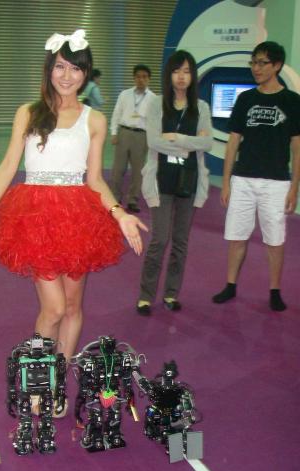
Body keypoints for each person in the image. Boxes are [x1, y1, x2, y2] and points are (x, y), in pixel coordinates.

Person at [0, 29, 147, 363]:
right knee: (54, 308)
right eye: (60, 66)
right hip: (36, 217)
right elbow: (8, 165)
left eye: (75, 68)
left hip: (78, 218)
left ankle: (58, 374)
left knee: (72, 306)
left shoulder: (95, 120)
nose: (67, 76)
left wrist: (120, 214)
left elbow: (95, 179)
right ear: (49, 69)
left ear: (85, 73)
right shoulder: (28, 113)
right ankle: (39, 375)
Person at [212, 41, 300, 312]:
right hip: (243, 179)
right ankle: (230, 284)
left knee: (275, 239)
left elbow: (297, 147)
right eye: (253, 62)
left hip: (276, 182)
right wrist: (226, 182)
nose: (256, 68)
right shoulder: (245, 99)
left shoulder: (293, 101)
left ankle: (275, 290)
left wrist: (294, 188)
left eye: (262, 63)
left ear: (277, 65)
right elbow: (233, 142)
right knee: (237, 236)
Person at [137, 50, 213, 315]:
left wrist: (176, 138)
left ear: (193, 76)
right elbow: (153, 141)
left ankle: (171, 293)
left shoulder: (201, 108)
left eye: (187, 71)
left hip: (188, 182)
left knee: (180, 242)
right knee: (160, 239)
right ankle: (146, 296)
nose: (181, 77)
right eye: (177, 71)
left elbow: (207, 142)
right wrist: (189, 144)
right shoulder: (157, 104)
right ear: (169, 74)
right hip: (161, 181)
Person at [109, 64, 156, 213]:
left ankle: (133, 200)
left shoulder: (154, 99)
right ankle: (115, 198)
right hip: (124, 133)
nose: (141, 79)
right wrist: (114, 132)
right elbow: (116, 113)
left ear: (149, 79)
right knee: (118, 169)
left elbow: (155, 121)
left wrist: (152, 140)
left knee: (138, 171)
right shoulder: (125, 94)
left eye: (144, 77)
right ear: (134, 78)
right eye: (138, 76)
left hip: (142, 136)